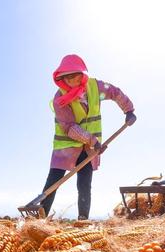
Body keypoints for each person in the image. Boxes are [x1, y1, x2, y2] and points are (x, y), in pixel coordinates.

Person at [40, 54, 136, 220]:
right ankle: (39, 219)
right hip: (66, 147)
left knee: (84, 184)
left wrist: (129, 110)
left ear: (81, 73)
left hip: (88, 148)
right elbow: (69, 127)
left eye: (74, 75)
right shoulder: (60, 99)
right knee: (53, 182)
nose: (71, 80)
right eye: (66, 77)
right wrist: (93, 140)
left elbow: (114, 92)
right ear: (61, 77)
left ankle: (83, 220)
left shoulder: (95, 87)